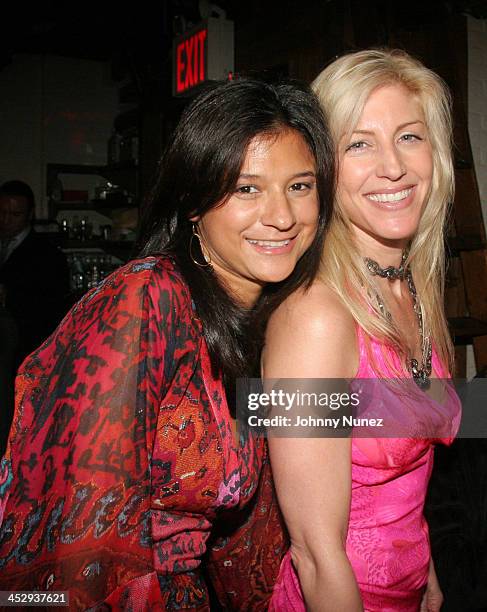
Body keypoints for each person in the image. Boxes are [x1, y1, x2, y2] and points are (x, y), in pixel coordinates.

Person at [0, 77, 334, 610]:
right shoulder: (146, 299)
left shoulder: (266, 318)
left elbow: (332, 417)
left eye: (300, 186)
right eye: (247, 188)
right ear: (195, 202)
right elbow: (79, 538)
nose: (283, 216)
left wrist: (452, 407)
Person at [264, 49, 461, 611]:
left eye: (409, 136)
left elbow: (412, 474)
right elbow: (316, 552)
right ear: (323, 164)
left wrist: (426, 574)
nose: (392, 166)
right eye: (359, 143)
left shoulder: (411, 285)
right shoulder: (318, 318)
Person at [0, 180, 69, 455]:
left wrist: (10, 298)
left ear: (29, 214)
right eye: (1, 212)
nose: (5, 220)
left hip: (23, 349)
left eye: (14, 214)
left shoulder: (46, 254)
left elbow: (53, 305)